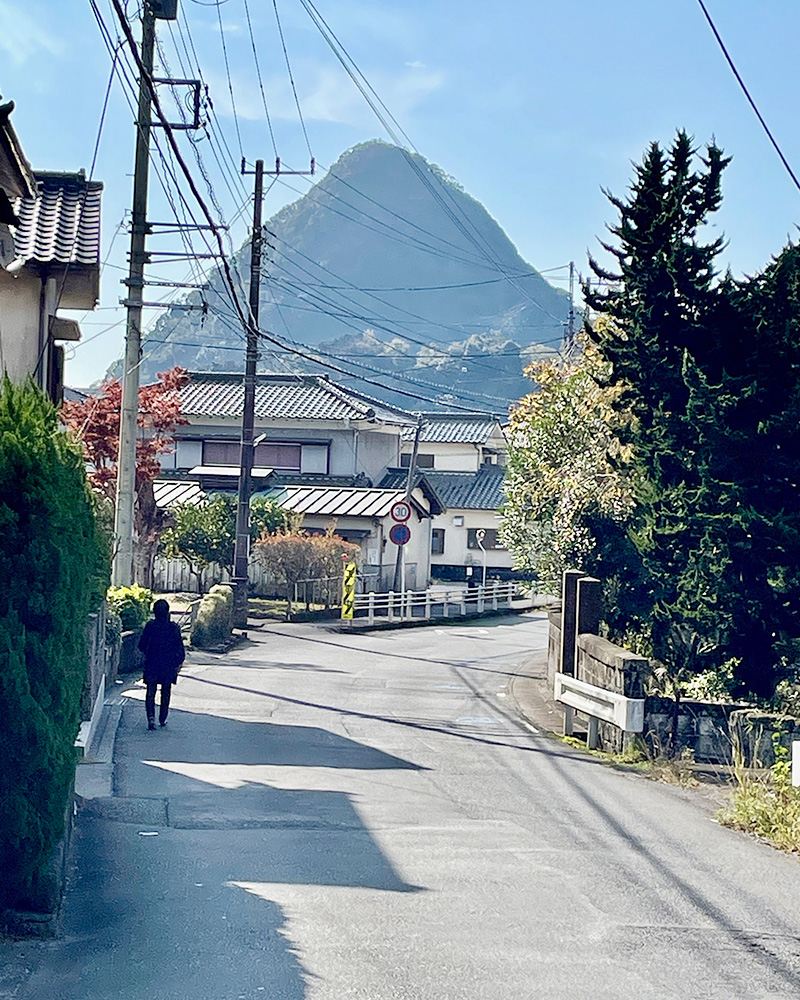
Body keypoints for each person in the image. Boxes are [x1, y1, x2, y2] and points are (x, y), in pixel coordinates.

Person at [138, 599, 185, 730]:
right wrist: (177, 663)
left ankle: (151, 718)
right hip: (168, 665)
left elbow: (141, 645)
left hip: (152, 662)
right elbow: (180, 648)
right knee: (166, 691)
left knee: (150, 691)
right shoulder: (174, 628)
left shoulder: (150, 626)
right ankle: (162, 718)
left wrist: (148, 653)